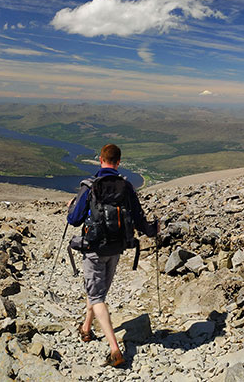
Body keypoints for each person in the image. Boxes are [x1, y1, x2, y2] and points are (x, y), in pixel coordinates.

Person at [67, 143, 155, 367]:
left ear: (100, 160)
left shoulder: (90, 186)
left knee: (96, 297)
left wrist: (71, 207)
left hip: (95, 249)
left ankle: (115, 348)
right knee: (97, 292)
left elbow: (74, 220)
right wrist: (153, 231)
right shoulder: (126, 187)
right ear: (118, 163)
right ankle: (86, 328)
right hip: (116, 248)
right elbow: (138, 218)